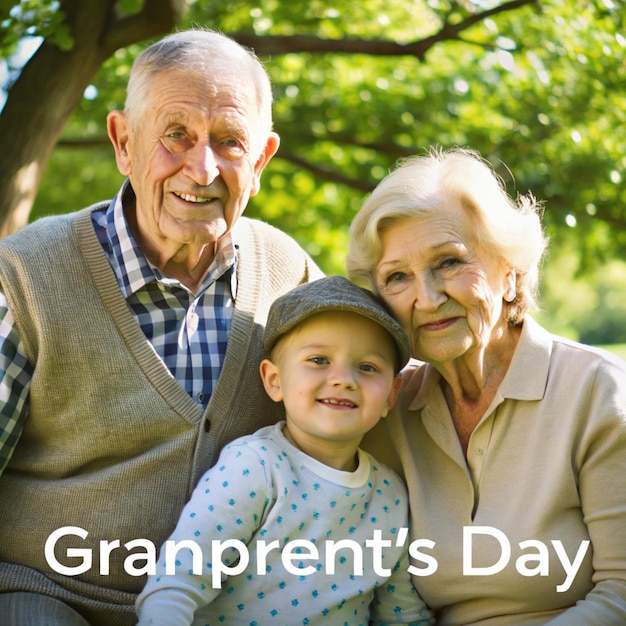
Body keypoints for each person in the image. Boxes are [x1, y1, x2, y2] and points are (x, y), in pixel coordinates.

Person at [0, 29, 323, 625]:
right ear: (124, 142)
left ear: (261, 160)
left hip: (224, 606)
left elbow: (379, 379)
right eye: (176, 136)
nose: (201, 169)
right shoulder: (26, 272)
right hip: (47, 592)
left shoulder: (288, 272)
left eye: (229, 142)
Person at [347, 147, 626, 625]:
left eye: (449, 263)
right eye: (397, 277)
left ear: (510, 272)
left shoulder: (598, 391)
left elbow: (620, 592)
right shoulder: (387, 413)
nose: (427, 298)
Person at [135, 275, 434, 626]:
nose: (343, 379)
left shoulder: (390, 497)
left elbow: (402, 614)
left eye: (367, 367)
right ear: (274, 380)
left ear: (391, 395)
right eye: (319, 360)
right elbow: (177, 582)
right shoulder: (254, 468)